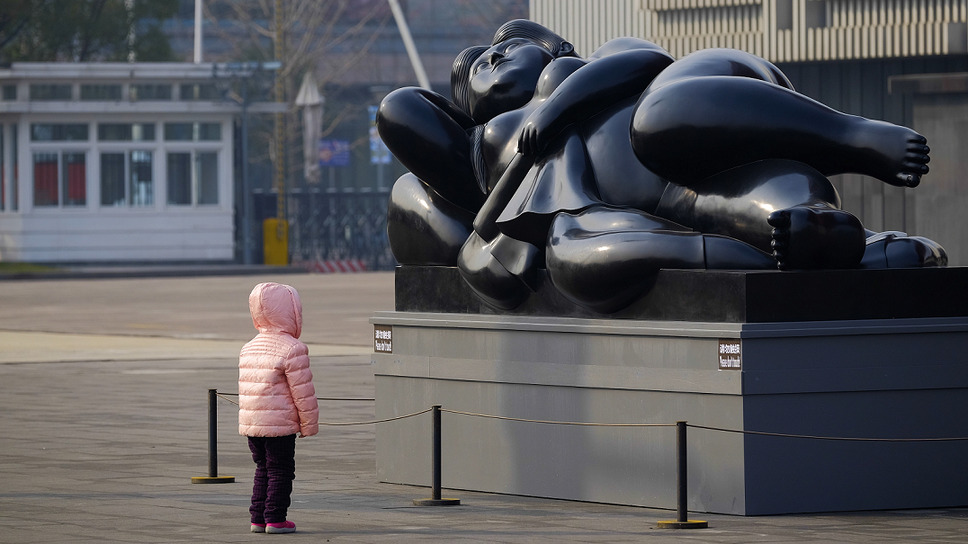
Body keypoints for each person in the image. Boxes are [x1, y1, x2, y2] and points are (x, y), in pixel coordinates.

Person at [377, 20, 944, 313]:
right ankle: (818, 231)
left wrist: (558, 109)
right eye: (477, 69)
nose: (492, 58)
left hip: (711, 110)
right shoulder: (491, 146)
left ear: (549, 50)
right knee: (749, 202)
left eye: (507, 49)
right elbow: (401, 113)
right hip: (674, 199)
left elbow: (649, 61)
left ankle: (852, 135)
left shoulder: (592, 65)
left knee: (659, 121)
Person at [239, 282, 319, 534]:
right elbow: (302, 392)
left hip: (253, 424)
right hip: (280, 426)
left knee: (262, 468)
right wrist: (308, 426)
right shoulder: (293, 349)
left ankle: (258, 518)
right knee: (281, 470)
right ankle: (275, 518)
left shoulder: (248, 347)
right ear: (292, 312)